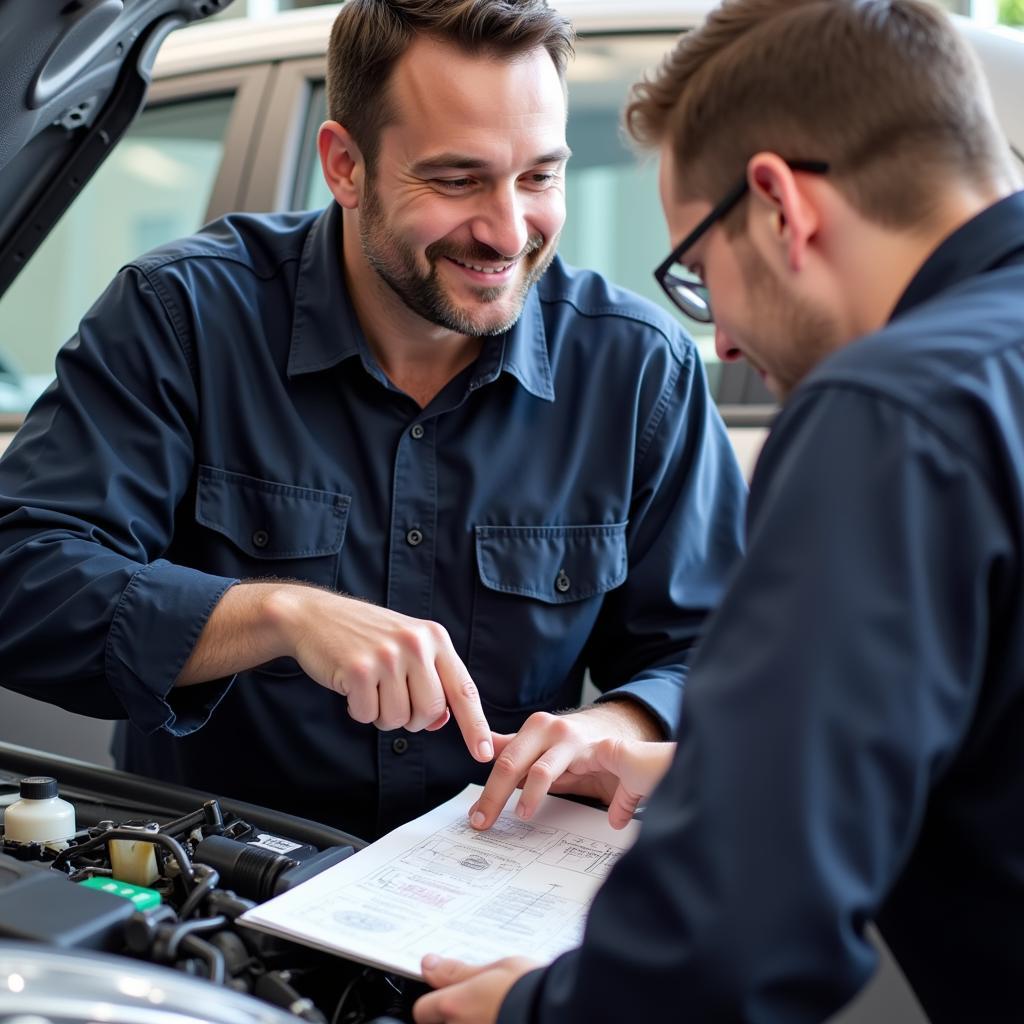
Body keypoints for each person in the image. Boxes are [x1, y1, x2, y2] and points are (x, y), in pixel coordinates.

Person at [0, 0, 746, 841]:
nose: (508, 231)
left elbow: (716, 656)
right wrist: (275, 617)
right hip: (219, 906)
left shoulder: (639, 372)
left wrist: (620, 726)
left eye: (539, 176)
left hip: (490, 916)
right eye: (458, 179)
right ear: (345, 165)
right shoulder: (181, 319)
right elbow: (21, 572)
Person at [412, 0, 1024, 1020]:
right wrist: (701, 765)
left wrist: (528, 1011)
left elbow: (736, 940)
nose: (725, 345)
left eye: (697, 275)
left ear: (780, 203)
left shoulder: (889, 413)